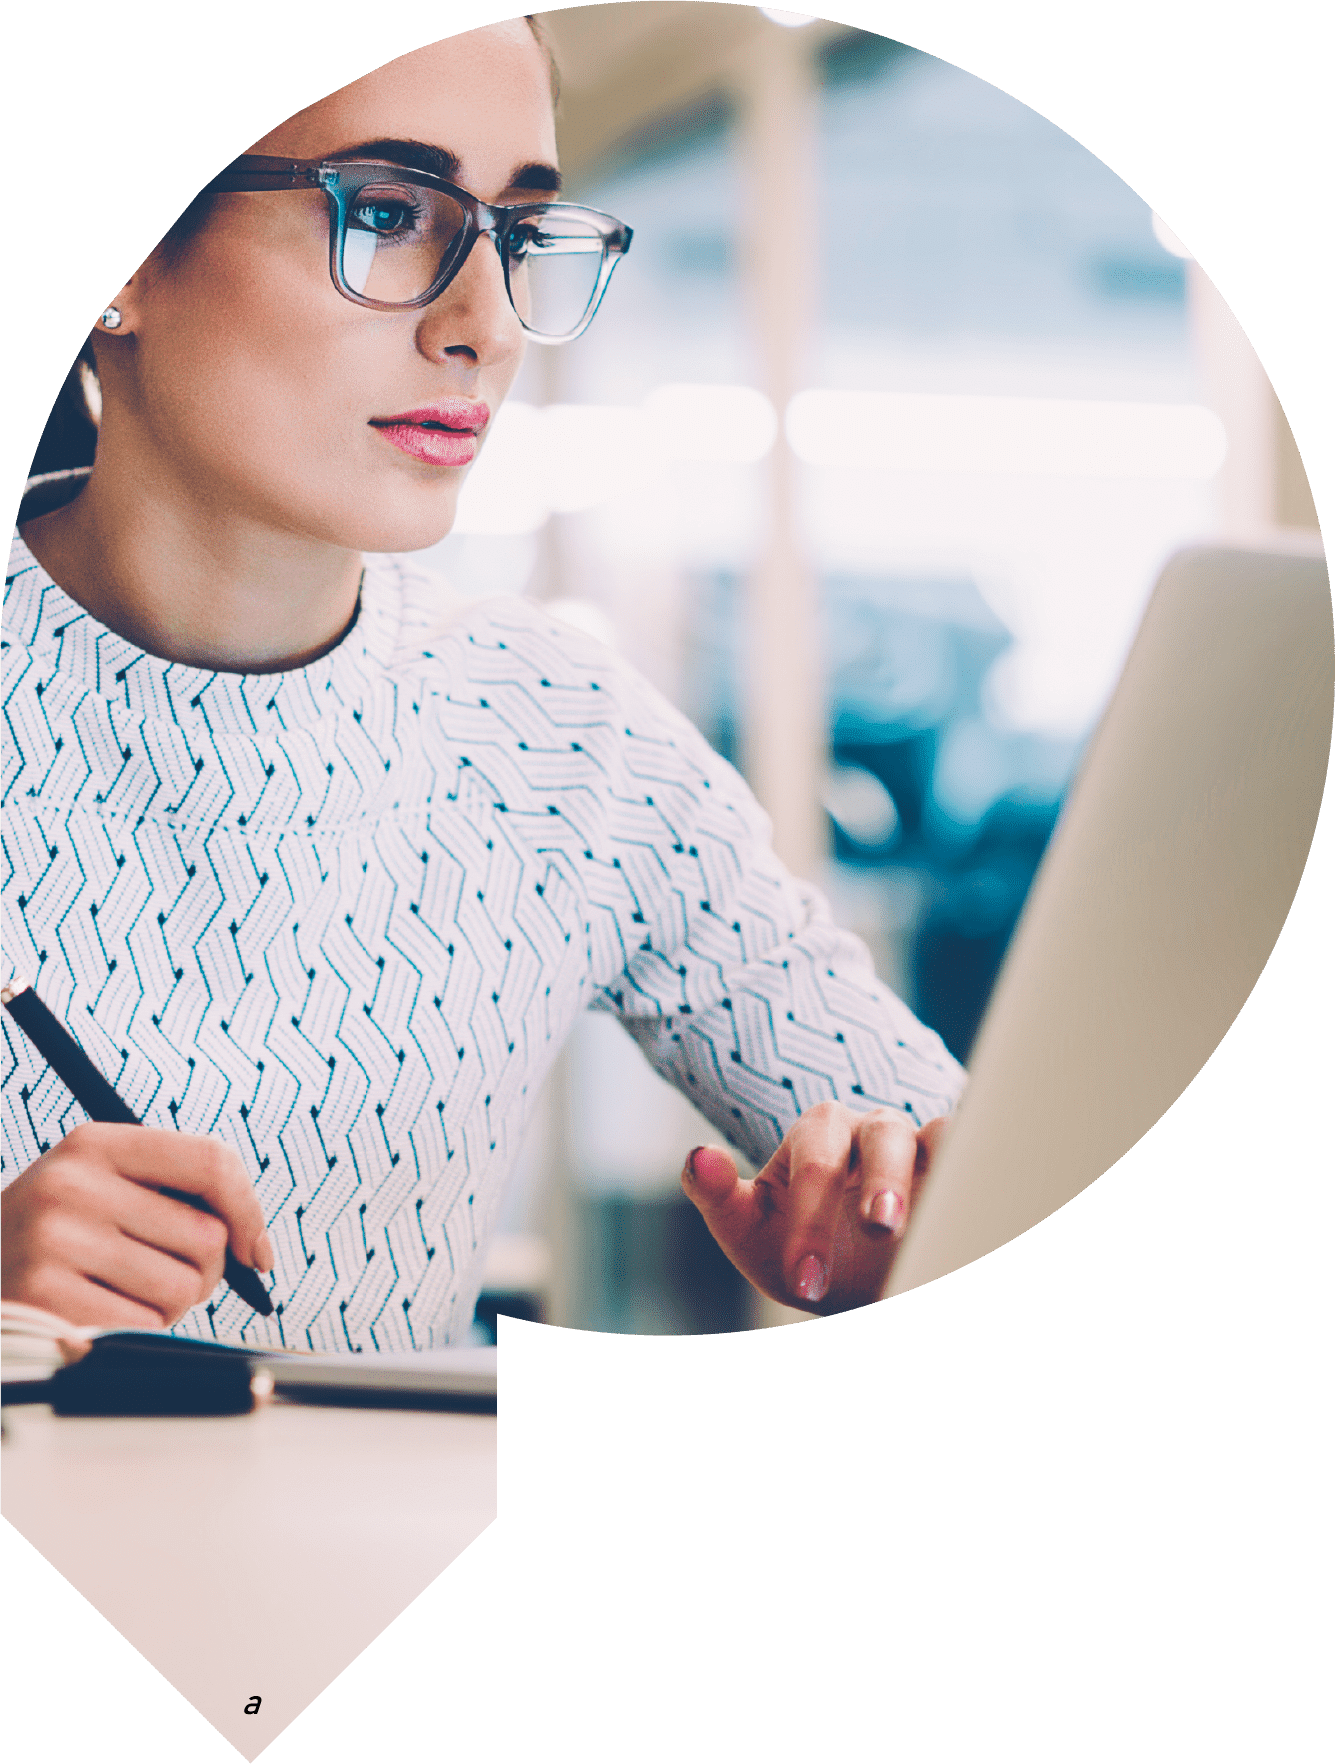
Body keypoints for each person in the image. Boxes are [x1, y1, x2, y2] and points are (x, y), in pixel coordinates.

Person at [0, 18, 964, 1347]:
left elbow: (956, 1171)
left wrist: (908, 1230)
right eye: (390, 211)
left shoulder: (562, 734)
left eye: (517, 233)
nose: (486, 322)